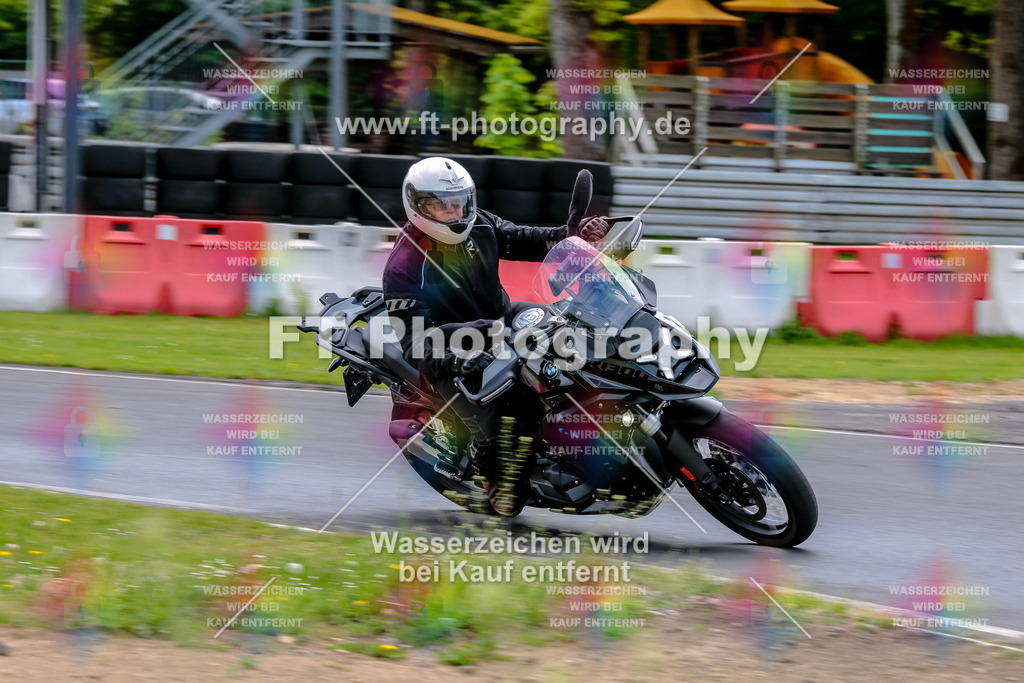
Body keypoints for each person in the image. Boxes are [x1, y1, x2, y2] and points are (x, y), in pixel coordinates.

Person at [382, 157, 611, 515]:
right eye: (443, 205)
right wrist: (458, 355)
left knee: (568, 332)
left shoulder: (480, 223)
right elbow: (415, 342)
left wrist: (570, 236)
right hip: (454, 350)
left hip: (501, 319)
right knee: (511, 410)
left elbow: (520, 238)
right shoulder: (404, 267)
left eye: (460, 201)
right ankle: (497, 480)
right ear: (419, 206)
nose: (455, 211)